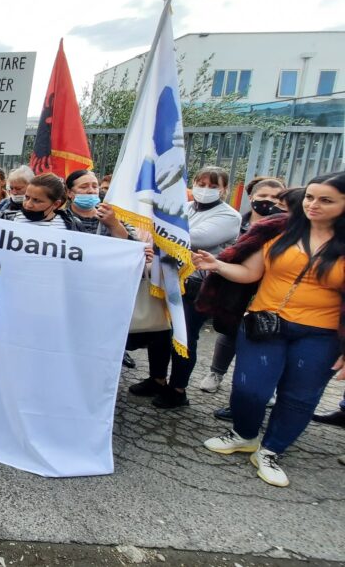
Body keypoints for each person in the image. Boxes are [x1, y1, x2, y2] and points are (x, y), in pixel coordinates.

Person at [196, 172, 345, 487]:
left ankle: (270, 450)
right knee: (250, 389)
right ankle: (244, 435)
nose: (313, 205)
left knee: (299, 398)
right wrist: (218, 265)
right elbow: (251, 272)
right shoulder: (278, 229)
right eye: (309, 197)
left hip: (322, 335)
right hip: (264, 323)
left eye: (325, 200)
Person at [129, 166, 242, 409]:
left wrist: (158, 226)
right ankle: (157, 379)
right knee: (160, 332)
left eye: (213, 186)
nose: (206, 190)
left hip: (197, 285)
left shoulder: (229, 216)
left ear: (224, 189)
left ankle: (178, 389)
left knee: (184, 335)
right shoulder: (186, 208)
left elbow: (195, 238)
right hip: (166, 276)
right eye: (201, 184)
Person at [198, 178, 287, 394]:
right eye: (263, 196)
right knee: (229, 331)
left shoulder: (287, 230)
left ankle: (262, 385)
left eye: (275, 198)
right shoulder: (239, 223)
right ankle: (216, 372)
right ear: (251, 198)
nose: (268, 202)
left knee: (262, 338)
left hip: (269, 294)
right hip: (235, 288)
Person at [64, 169, 130, 238]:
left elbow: (135, 245)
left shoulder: (114, 216)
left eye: (95, 187)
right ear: (69, 193)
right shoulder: (59, 218)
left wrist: (114, 225)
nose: (91, 191)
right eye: (84, 187)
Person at [7, 173, 83, 230]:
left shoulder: (72, 226)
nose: (28, 204)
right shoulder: (8, 219)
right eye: (27, 197)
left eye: (36, 200)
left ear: (56, 204)